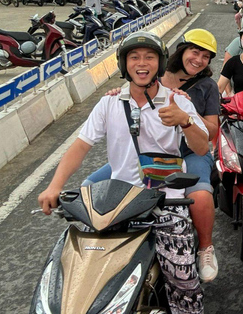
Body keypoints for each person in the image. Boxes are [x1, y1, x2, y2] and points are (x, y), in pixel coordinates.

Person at [37, 31, 208, 313]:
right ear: (123, 64)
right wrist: (54, 186)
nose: (142, 63)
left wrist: (185, 121)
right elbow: (80, 147)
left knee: (183, 281)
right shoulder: (109, 103)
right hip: (119, 202)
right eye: (134, 57)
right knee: (79, 266)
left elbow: (202, 149)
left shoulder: (177, 102)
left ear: (161, 64)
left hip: (165, 200)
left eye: (149, 57)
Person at [82, 29, 222, 283]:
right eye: (194, 52)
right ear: (180, 52)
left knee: (200, 195)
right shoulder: (155, 74)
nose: (198, 60)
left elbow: (211, 132)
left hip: (187, 153)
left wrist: (186, 114)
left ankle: (205, 248)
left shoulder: (207, 87)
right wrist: (119, 92)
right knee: (90, 189)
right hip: (144, 153)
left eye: (205, 56)